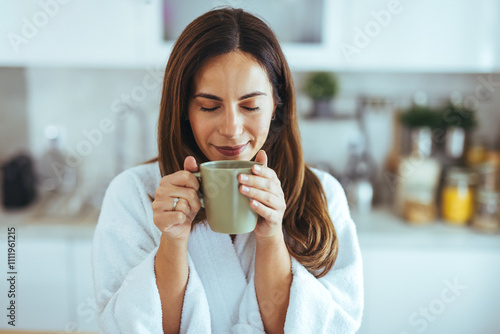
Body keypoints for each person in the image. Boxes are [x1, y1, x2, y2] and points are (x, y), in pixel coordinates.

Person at [92, 7, 363, 334]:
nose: (232, 128)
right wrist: (174, 240)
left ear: (277, 103)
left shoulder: (321, 195)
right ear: (184, 110)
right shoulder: (133, 195)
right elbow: (130, 328)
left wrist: (272, 236)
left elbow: (330, 327)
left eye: (250, 106)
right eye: (209, 106)